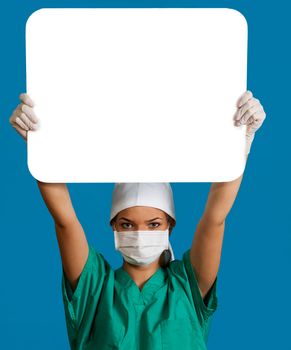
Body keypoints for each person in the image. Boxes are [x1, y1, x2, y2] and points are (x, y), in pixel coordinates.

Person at [9, 91, 266, 350]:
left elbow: (215, 219)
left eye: (153, 224)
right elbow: (65, 219)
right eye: (127, 224)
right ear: (113, 226)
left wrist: (239, 144)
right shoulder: (95, 288)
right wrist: (39, 146)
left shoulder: (187, 285)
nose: (140, 233)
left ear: (169, 226)